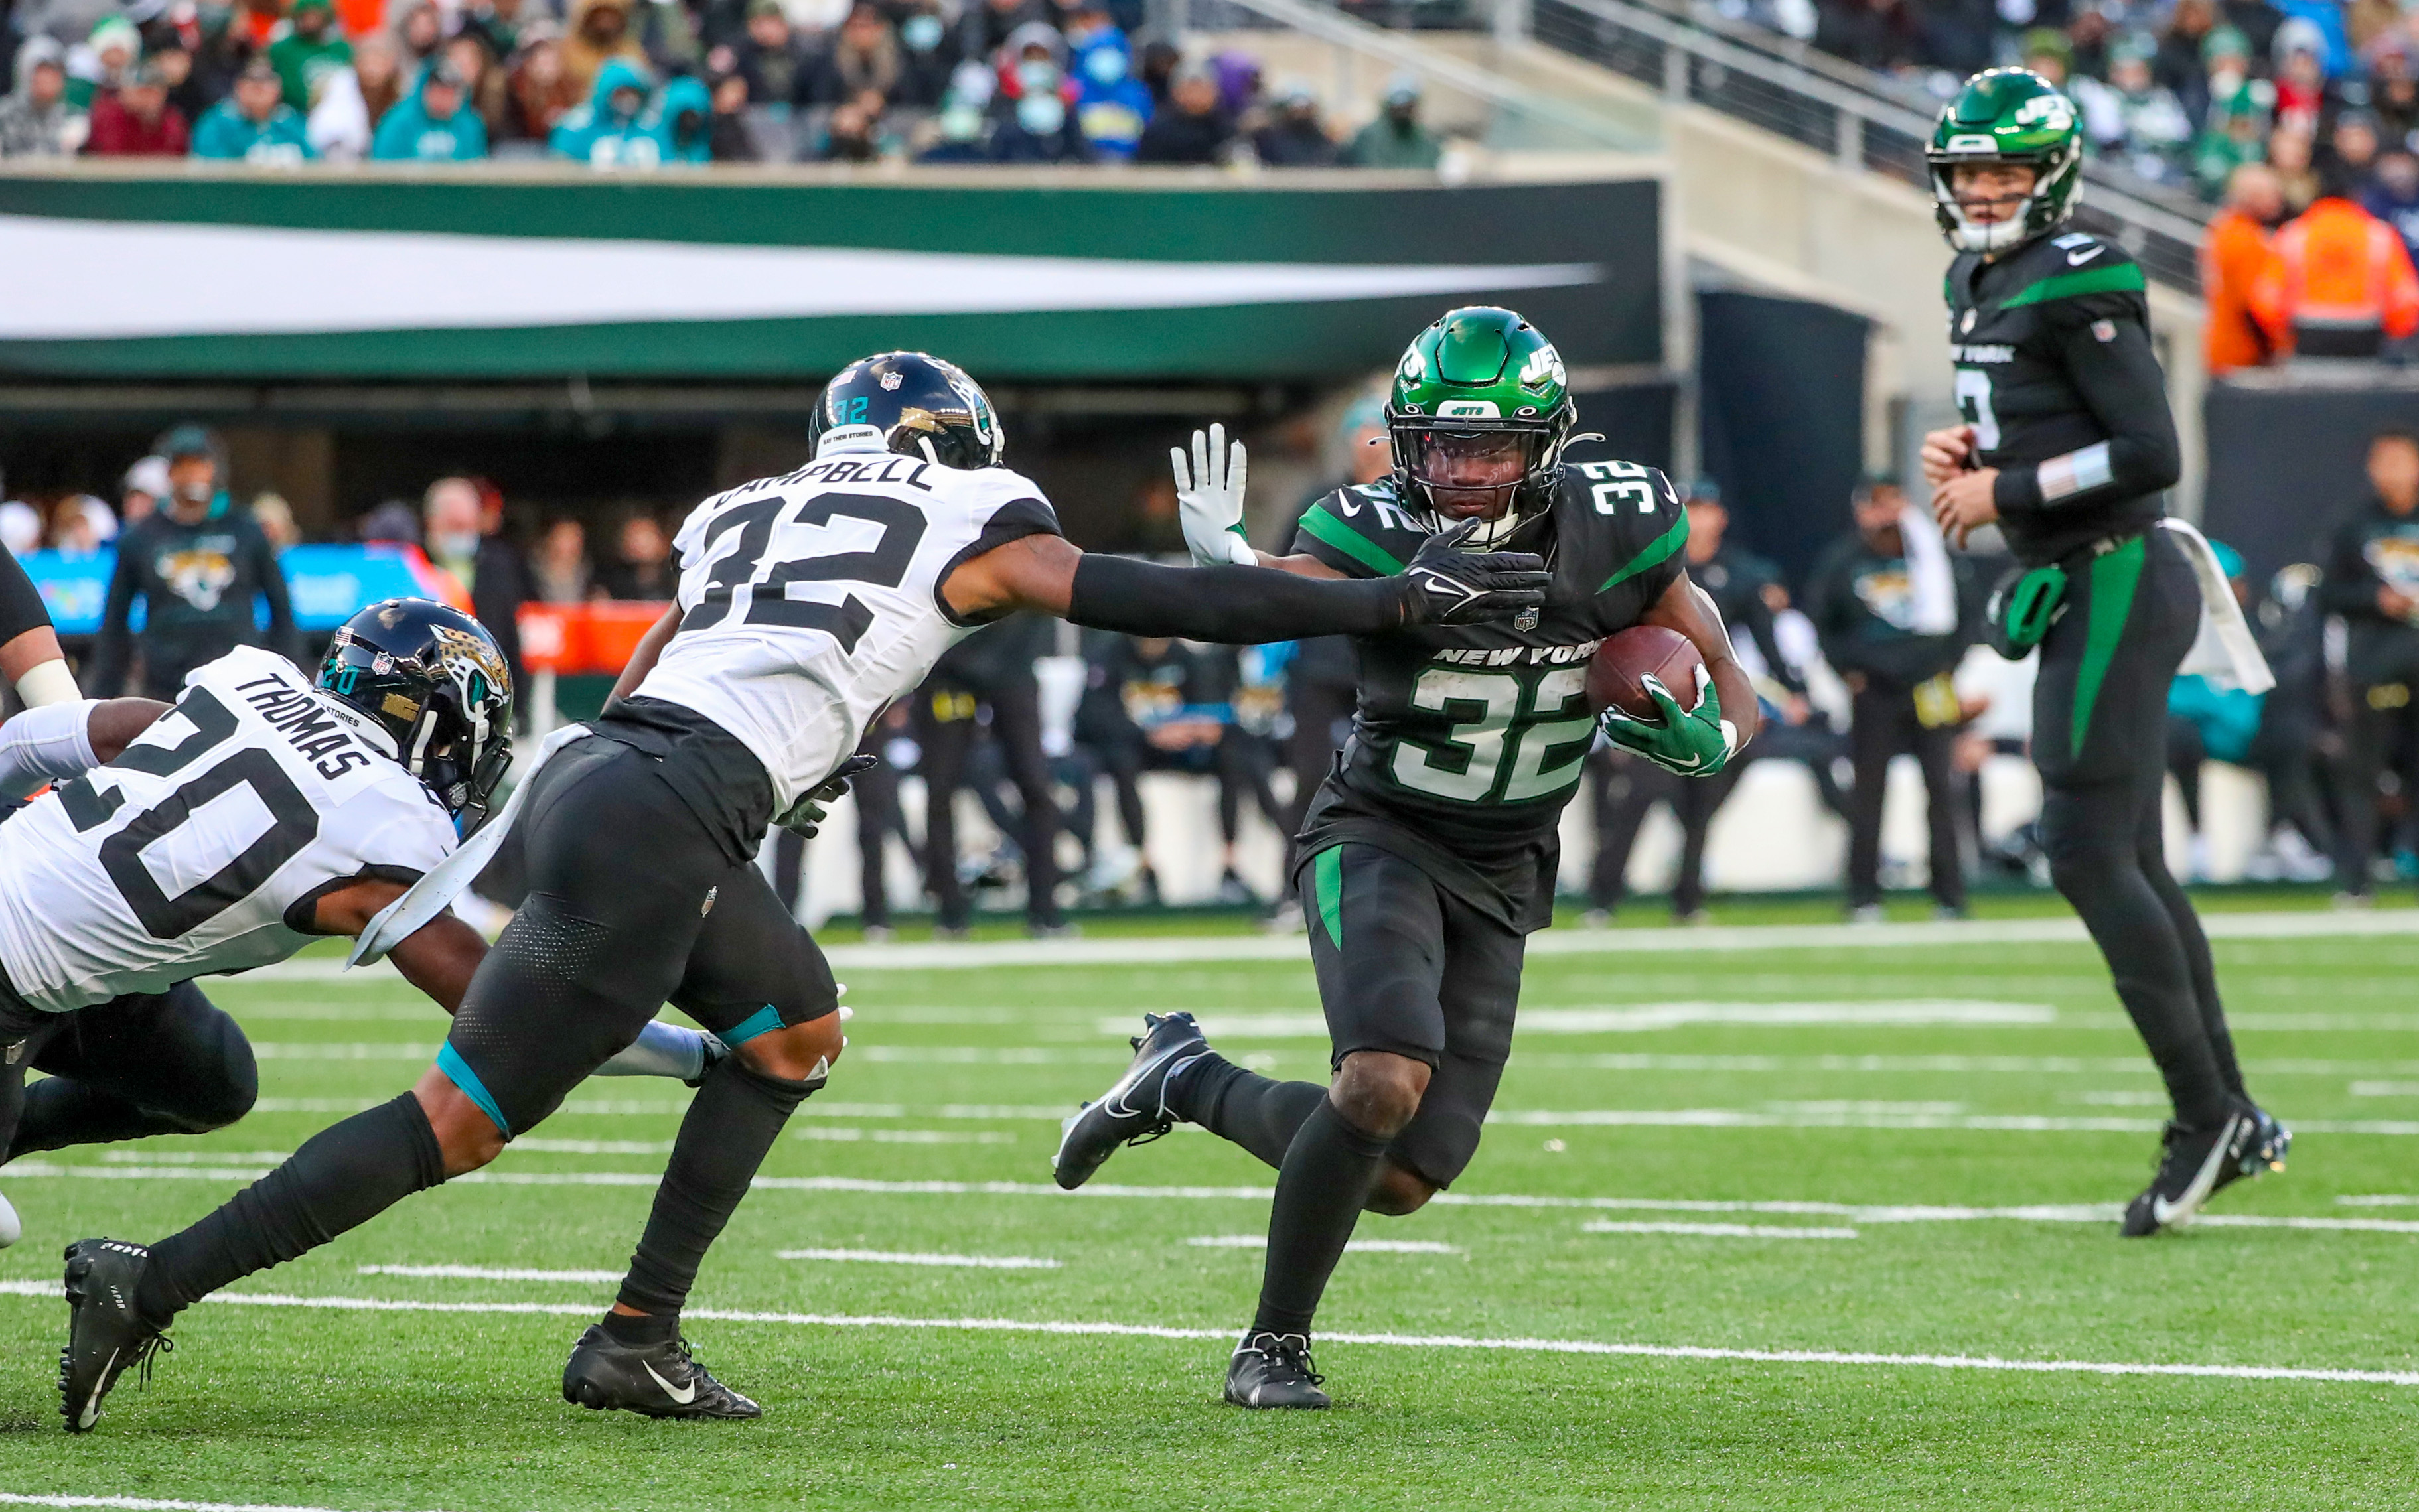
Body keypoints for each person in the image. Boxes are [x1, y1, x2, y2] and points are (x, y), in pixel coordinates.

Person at [57, 349, 1545, 1430]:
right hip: (667, 807)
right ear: (956, 438)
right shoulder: (976, 511)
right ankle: (155, 1277)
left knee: (794, 1030)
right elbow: (1153, 595)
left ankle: (637, 1334)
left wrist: (755, 765)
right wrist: (1383, 599)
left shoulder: (738, 509)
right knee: (458, 1120)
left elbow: (655, 668)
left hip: (615, 778)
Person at [1053, 308, 1755, 1410]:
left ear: (1549, 443)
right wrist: (1229, 565)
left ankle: (1183, 1074)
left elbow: (1716, 660)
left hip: (1512, 861)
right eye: (1444, 445)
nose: (1468, 474)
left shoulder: (1624, 522)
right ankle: (1272, 1344)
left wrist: (1711, 737)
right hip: (1382, 831)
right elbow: (1279, 590)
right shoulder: (1372, 523)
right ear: (1406, 442)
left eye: (1494, 448)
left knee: (1405, 1174)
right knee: (1380, 1076)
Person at [0, 610, 713, 1275]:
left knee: (211, 1080)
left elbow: (38, 738)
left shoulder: (250, 679)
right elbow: (526, 1014)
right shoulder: (384, 826)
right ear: (429, 715)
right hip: (13, 974)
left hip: (69, 961)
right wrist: (697, 1054)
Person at [1921, 66, 2287, 1237]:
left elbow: (2147, 446)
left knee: (2085, 842)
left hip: (2121, 564)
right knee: (2124, 847)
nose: (1981, 189)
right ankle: (2226, 1111)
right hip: (2074, 573)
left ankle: (2208, 1114)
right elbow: (2042, 409)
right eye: (1967, 171)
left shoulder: (2086, 274)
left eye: (2003, 170)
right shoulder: (1978, 273)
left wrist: (2004, 486)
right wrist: (1977, 449)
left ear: (2053, 176)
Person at [1588, 478, 1825, 922]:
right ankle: (1604, 896)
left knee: (1700, 803)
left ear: (1720, 516)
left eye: (1704, 508)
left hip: (1708, 701)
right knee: (1640, 794)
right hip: (1651, 700)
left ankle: (1688, 897)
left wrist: (1795, 693)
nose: (1697, 519)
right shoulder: (1650, 568)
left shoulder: (1741, 574)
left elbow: (1763, 642)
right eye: (1689, 508)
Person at [1806, 478, 1978, 920]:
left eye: (1892, 503)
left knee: (1942, 787)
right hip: (1875, 688)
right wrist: (1847, 671)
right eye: (1875, 504)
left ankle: (1949, 894)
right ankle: (1863, 893)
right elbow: (1823, 624)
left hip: (1929, 685)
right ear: (1860, 509)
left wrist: (1947, 667)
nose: (1884, 514)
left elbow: (1966, 616)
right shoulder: (1842, 562)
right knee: (1868, 791)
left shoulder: (1931, 558)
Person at [89, 426, 298, 701]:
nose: (192, 475)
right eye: (183, 466)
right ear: (169, 473)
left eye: (200, 464)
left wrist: (290, 681)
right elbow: (115, 622)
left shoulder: (246, 531)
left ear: (214, 470)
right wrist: (105, 697)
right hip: (167, 687)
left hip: (240, 684)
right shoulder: (141, 538)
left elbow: (281, 609)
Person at [2319, 430, 2419, 902]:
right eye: (2384, 461)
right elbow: (2328, 594)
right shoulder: (2353, 525)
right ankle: (2356, 877)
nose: (2393, 471)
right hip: (2375, 667)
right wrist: (2376, 599)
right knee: (2361, 771)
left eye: (2401, 461)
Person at [2252, 161, 2419, 359]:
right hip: (2367, 346)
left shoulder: (2294, 234)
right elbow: (2407, 300)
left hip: (2306, 345)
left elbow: (2265, 299)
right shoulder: (2380, 235)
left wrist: (2285, 335)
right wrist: (2389, 334)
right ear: (2356, 195)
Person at [422, 478, 532, 715]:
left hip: (485, 692)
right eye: (454, 526)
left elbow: (510, 635)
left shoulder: (499, 565)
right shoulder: (413, 566)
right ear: (432, 522)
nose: (463, 534)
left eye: (468, 526)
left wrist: (518, 706)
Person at [2202, 163, 2284, 374]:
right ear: (2252, 197)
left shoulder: (2223, 228)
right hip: (2242, 354)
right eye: (2271, 194)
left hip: (2221, 346)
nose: (2278, 200)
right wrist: (2274, 349)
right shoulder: (2245, 239)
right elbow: (2252, 304)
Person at [191, 57, 314, 161]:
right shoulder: (217, 124)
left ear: (278, 89)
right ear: (239, 87)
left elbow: (315, 162)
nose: (259, 87)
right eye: (251, 80)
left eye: (267, 80)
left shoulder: (292, 123)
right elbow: (207, 166)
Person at [548, 56, 658, 166]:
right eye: (622, 93)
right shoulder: (579, 125)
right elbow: (563, 163)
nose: (629, 99)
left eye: (634, 93)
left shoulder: (650, 125)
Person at [371, 57, 489, 160]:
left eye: (450, 92)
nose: (443, 97)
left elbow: (476, 166)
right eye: (438, 90)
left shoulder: (470, 126)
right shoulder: (399, 123)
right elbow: (383, 165)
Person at [82, 57, 189, 156]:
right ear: (124, 91)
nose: (149, 98)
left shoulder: (173, 122)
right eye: (142, 92)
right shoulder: (107, 116)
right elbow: (111, 157)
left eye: (154, 92)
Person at [1133, 60, 1230, 164]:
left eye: (1203, 89)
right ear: (1175, 92)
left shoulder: (1226, 130)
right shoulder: (1158, 132)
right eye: (1189, 89)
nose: (1196, 96)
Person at [1, 36, 84, 157]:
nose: (48, 79)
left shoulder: (73, 118)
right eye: (42, 72)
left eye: (55, 72)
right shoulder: (5, 115)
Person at [1341, 74, 1440, 169]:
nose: (1402, 112)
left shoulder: (1428, 139)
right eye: (1397, 107)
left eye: (1408, 106)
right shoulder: (1368, 137)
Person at [265, 0, 350, 113]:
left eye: (316, 16)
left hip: (336, 113)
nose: (311, 21)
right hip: (294, 113)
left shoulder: (342, 49)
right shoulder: (281, 49)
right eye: (306, 16)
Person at [595, 510, 676, 600]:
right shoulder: (611, 580)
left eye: (647, 536)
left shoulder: (678, 579)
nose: (640, 543)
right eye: (634, 536)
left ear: (662, 540)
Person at [1254, 83, 1334, 167]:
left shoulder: (1320, 140)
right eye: (1296, 109)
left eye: (1305, 109)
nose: (1301, 114)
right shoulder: (1271, 139)